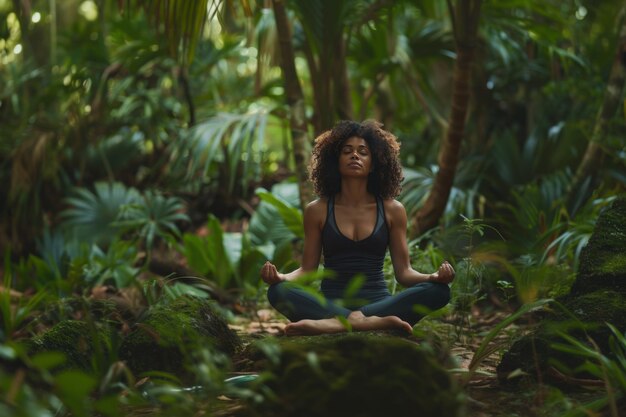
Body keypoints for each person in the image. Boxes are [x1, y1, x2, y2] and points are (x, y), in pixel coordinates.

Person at [260, 120, 454, 336]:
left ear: (374, 163)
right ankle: (366, 322)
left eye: (363, 152)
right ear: (335, 160)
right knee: (278, 291)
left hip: (379, 305)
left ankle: (340, 323)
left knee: (439, 291)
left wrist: (434, 277)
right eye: (347, 151)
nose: (355, 156)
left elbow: (404, 273)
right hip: (332, 304)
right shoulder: (317, 210)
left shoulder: (392, 210)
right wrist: (280, 278)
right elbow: (307, 270)